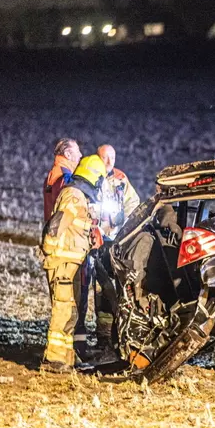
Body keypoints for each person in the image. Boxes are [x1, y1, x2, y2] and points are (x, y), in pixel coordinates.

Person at [39, 154, 107, 372]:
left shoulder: (78, 196)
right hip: (63, 264)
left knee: (71, 312)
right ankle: (54, 361)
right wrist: (51, 255)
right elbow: (55, 226)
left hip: (71, 264)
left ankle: (66, 359)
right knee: (63, 311)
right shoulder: (74, 196)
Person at [85, 144, 141, 349]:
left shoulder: (120, 179)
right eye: (105, 158)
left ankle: (117, 337)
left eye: (112, 158)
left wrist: (127, 229)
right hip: (97, 243)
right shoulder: (90, 178)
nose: (109, 162)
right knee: (101, 291)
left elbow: (133, 204)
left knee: (118, 291)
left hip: (117, 244)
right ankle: (103, 339)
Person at [43, 138, 82, 222]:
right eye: (78, 151)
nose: (81, 155)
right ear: (68, 154)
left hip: (52, 228)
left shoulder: (53, 174)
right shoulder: (65, 176)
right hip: (63, 229)